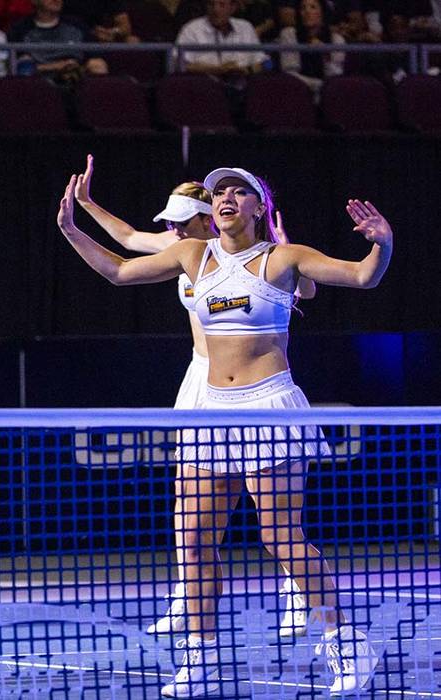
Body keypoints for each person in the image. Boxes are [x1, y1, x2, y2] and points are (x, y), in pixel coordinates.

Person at [57, 166, 390, 696]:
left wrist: (382, 246)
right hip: (209, 410)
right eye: (219, 193)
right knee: (193, 540)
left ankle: (346, 644)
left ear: (260, 207)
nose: (227, 198)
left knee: (280, 537)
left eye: (240, 192)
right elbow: (120, 271)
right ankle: (201, 660)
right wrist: (73, 230)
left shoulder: (285, 258)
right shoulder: (193, 255)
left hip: (269, 408)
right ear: (210, 210)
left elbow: (360, 277)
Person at [74, 154, 315, 640]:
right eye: (170, 223)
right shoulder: (182, 250)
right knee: (190, 507)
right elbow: (125, 244)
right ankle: (190, 598)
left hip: (253, 386)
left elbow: (306, 289)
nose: (172, 229)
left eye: (182, 221)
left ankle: (297, 590)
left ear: (208, 219)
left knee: (276, 519)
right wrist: (84, 205)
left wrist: (291, 258)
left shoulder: (247, 255)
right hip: (199, 384)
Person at [8, 0, 107, 85]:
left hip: (77, 77)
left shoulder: (76, 25)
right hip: (40, 81)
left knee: (98, 65)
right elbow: (22, 68)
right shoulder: (20, 29)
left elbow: (94, 55)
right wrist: (58, 66)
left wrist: (78, 68)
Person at [175, 0, 268, 77]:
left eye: (222, 5)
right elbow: (179, 64)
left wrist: (246, 70)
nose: (216, 10)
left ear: (233, 8)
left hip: (243, 86)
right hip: (204, 88)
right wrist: (217, 70)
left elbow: (263, 63)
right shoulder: (192, 29)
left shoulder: (245, 27)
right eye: (211, 4)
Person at [278, 0, 346, 95]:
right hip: (297, 92)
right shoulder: (288, 34)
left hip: (328, 95)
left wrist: (326, 55)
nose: (307, 11)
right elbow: (290, 73)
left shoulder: (337, 39)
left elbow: (336, 76)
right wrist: (318, 85)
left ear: (322, 13)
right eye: (303, 8)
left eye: (313, 7)